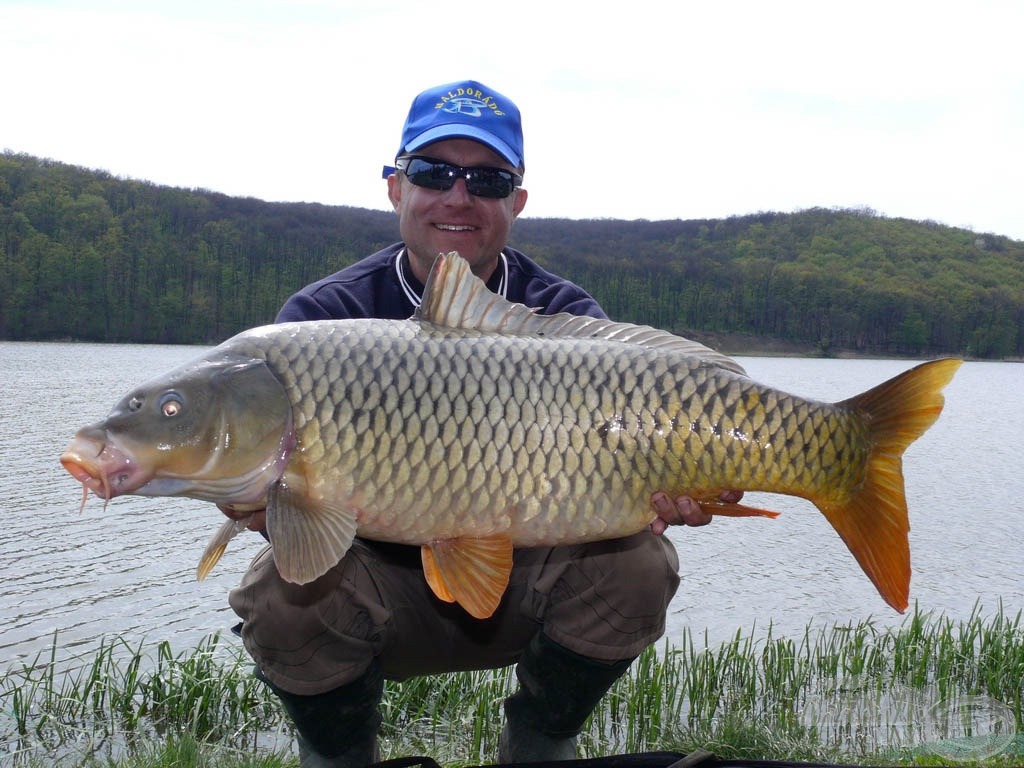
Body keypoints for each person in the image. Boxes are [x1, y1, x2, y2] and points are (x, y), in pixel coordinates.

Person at [225, 79, 729, 767]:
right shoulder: (321, 321)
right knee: (277, 596)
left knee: (640, 565)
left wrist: (674, 489)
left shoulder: (566, 318)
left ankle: (540, 743)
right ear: (395, 188)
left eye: (487, 180)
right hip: (378, 590)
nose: (458, 197)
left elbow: (629, 472)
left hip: (530, 584)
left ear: (516, 203)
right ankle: (340, 756)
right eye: (433, 173)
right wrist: (267, 503)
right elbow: (290, 514)